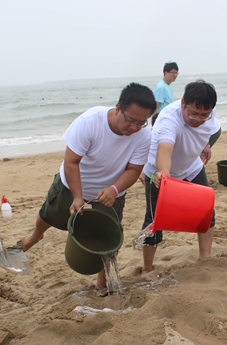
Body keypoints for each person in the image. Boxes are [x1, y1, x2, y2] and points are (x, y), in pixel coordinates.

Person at [21, 82, 156, 288]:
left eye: (141, 123)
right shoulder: (90, 122)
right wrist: (77, 196)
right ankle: (35, 236)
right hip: (73, 183)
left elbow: (133, 170)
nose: (134, 128)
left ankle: (103, 283)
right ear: (118, 108)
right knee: (49, 214)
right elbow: (71, 162)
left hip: (112, 190)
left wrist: (115, 189)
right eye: (130, 121)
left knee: (109, 237)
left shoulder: (144, 135)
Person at [141, 80, 221, 273]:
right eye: (193, 113)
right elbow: (164, 151)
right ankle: (147, 268)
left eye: (204, 115)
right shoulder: (169, 118)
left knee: (207, 212)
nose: (198, 119)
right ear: (183, 103)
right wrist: (164, 175)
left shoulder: (208, 114)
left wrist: (206, 145)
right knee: (153, 221)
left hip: (192, 167)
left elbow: (214, 129)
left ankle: (205, 258)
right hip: (158, 173)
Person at [151, 62, 179, 126]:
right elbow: (155, 106)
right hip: (163, 122)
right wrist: (155, 125)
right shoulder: (161, 87)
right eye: (173, 72)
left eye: (176, 73)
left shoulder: (167, 86)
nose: (175, 75)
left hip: (168, 120)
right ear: (166, 73)